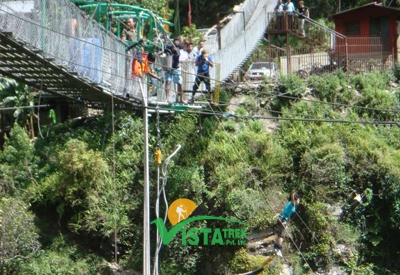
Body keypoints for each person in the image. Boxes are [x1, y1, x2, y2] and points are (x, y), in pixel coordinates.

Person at [273, 190, 300, 257]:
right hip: (283, 220)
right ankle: (278, 250)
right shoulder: (292, 203)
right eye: (298, 200)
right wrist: (292, 194)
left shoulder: (290, 204)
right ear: (296, 199)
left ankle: (276, 248)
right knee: (281, 235)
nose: (299, 201)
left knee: (279, 234)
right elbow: (292, 200)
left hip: (282, 219)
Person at [164, 39, 186, 104]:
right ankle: (167, 98)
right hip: (168, 67)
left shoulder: (177, 53)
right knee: (168, 81)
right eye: (174, 47)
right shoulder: (168, 47)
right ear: (172, 45)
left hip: (175, 67)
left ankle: (181, 98)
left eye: (176, 47)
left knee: (179, 82)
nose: (175, 48)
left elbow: (173, 62)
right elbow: (164, 52)